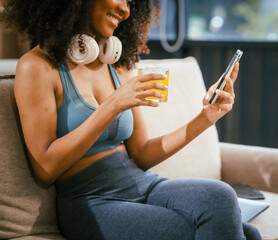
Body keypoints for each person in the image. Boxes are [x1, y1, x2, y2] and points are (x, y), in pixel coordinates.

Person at [3, 0, 262, 239]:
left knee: (221, 198)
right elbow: (46, 168)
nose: (126, 10)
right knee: (233, 232)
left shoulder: (118, 64)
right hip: (90, 200)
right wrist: (114, 104)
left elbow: (141, 153)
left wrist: (205, 118)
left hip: (142, 183)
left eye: (130, 2)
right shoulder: (37, 66)